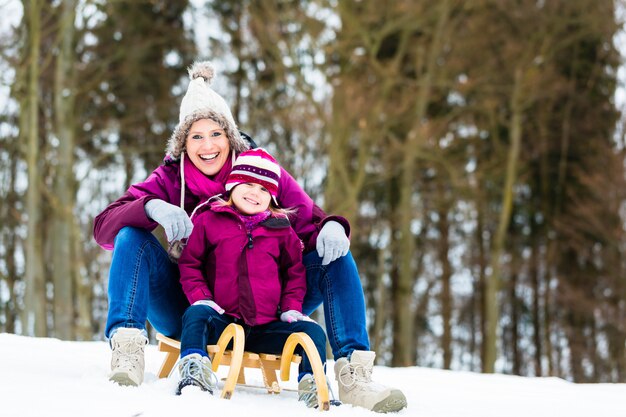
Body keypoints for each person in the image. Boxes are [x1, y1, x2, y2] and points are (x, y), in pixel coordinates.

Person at [93, 61, 407, 413]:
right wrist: (151, 207)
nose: (207, 145)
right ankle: (127, 351)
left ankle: (354, 374)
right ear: (183, 143)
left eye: (216, 134)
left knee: (334, 255)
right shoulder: (169, 179)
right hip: (193, 309)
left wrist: (332, 225)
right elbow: (104, 227)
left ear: (230, 136)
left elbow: (309, 220)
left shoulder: (261, 174)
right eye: (196, 136)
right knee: (131, 236)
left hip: (266, 306)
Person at [174, 148, 329, 408]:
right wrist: (202, 299)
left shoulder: (282, 232)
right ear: (232, 185)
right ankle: (194, 372)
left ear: (272, 198)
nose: (255, 193)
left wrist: (291, 308)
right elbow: (191, 264)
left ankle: (312, 384)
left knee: (312, 330)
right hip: (222, 320)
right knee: (195, 315)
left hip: (265, 325)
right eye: (247, 184)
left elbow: (294, 274)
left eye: (264, 189)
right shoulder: (210, 221)